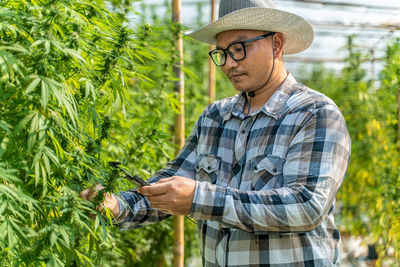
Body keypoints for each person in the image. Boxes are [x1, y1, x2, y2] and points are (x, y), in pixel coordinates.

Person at [80, 0, 351, 265]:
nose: (228, 64)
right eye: (222, 53)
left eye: (239, 48)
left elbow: (306, 206)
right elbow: (172, 182)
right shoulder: (215, 117)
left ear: (276, 44)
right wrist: (118, 205)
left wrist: (200, 199)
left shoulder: (315, 113)